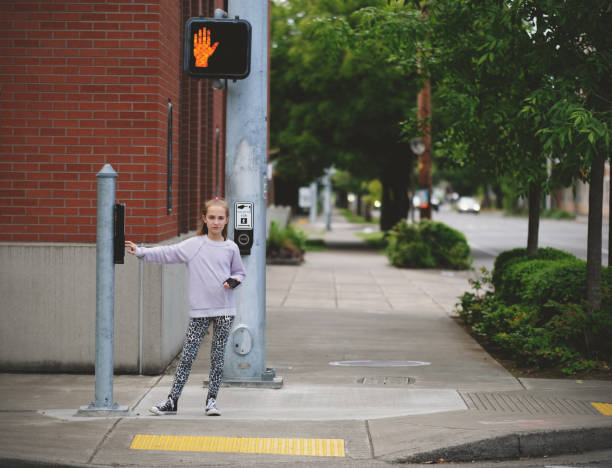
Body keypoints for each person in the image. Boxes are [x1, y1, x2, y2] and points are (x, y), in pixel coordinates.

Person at [125, 198, 246, 417]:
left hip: (225, 311)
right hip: (200, 311)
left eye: (220, 218)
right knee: (188, 356)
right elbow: (168, 253)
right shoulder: (194, 245)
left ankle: (211, 401)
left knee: (217, 357)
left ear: (227, 220)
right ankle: (172, 401)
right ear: (204, 219)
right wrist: (141, 251)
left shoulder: (231, 247)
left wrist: (233, 280)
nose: (216, 222)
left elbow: (240, 272)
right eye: (212, 218)